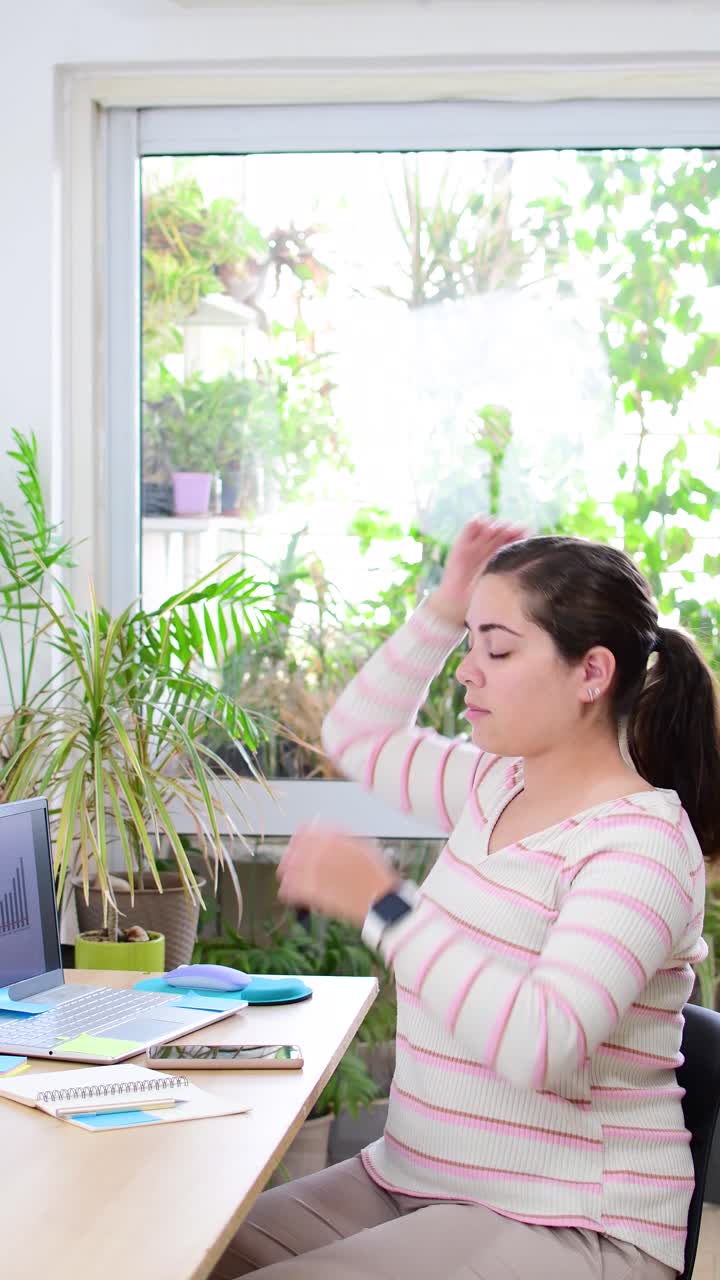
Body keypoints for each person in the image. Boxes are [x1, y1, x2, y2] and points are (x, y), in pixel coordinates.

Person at [211, 519, 720, 1280]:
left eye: (499, 648)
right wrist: (446, 608)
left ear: (592, 673)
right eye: (471, 645)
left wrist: (384, 903)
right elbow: (357, 734)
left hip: (572, 1224)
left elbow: (537, 1044)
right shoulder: (494, 784)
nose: (467, 672)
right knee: (193, 1256)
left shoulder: (640, 847)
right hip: (418, 1183)